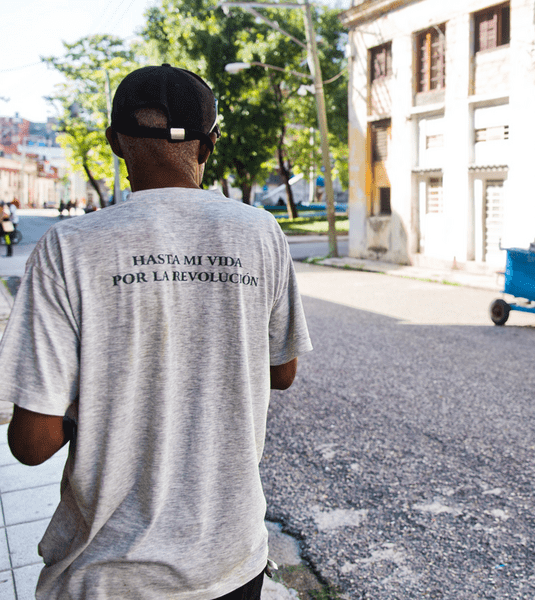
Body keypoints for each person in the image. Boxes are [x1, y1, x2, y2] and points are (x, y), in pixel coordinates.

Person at [0, 64, 313, 599]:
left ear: (115, 143)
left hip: (108, 575)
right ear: (208, 146)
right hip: (231, 560)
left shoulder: (67, 248)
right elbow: (282, 371)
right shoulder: (261, 232)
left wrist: (100, 399)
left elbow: (32, 444)